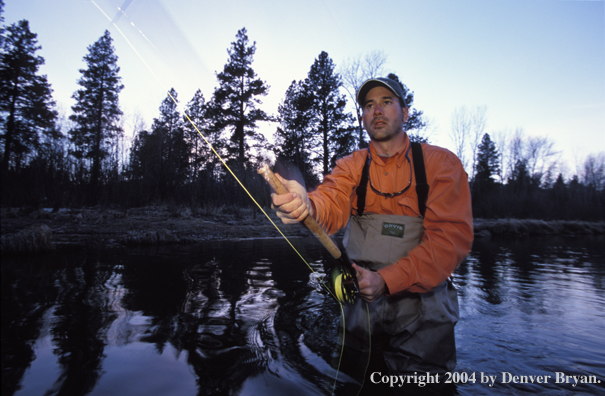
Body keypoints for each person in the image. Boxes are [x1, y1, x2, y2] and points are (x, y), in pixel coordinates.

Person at [271, 77, 473, 395]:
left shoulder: (441, 164)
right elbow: (330, 201)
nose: (376, 110)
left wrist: (386, 280)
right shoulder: (351, 166)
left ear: (405, 113)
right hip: (360, 310)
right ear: (363, 117)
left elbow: (449, 242)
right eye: (368, 105)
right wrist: (306, 203)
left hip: (423, 314)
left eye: (386, 102)